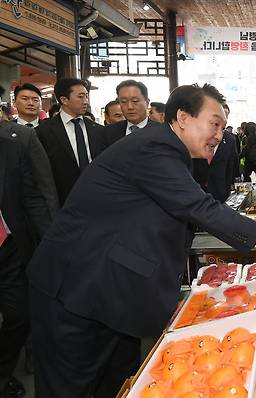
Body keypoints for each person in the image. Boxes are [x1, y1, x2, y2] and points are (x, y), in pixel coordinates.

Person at [26, 83, 256, 398]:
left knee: (115, 383)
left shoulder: (174, 152)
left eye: (224, 127)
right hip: (78, 289)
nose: (219, 134)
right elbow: (198, 207)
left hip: (114, 294)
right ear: (183, 117)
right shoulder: (154, 147)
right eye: (214, 124)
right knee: (69, 388)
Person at [0, 136, 51, 398]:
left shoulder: (14, 146)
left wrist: (51, 241)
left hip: (9, 246)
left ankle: (3, 372)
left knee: (19, 315)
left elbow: (32, 196)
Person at [35, 78, 107, 206]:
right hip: (62, 202)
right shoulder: (43, 132)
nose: (86, 101)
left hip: (97, 199)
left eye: (86, 96)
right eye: (80, 97)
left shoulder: (98, 130)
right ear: (64, 100)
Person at [193, 103, 240, 202]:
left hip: (220, 191)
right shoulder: (197, 135)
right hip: (197, 191)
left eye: (226, 114)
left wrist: (229, 185)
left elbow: (230, 164)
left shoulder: (230, 139)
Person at [104, 80, 160, 147]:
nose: (130, 107)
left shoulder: (162, 131)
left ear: (147, 102)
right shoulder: (109, 132)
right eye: (124, 101)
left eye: (135, 101)